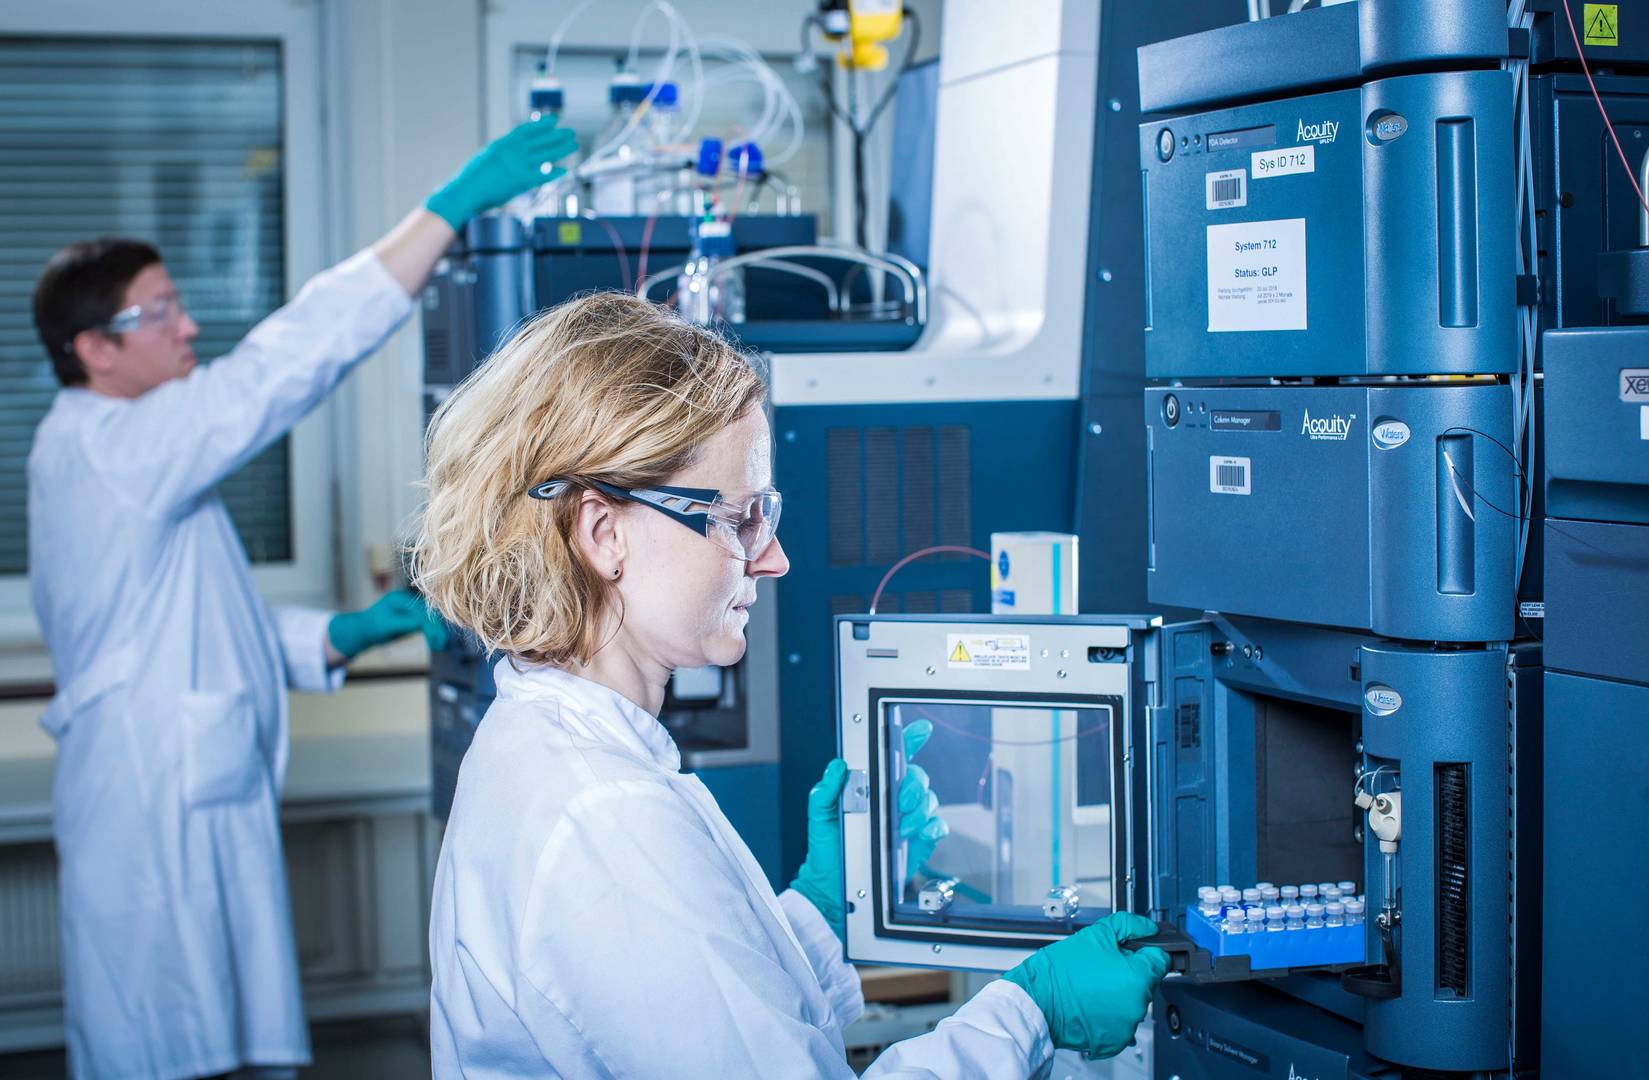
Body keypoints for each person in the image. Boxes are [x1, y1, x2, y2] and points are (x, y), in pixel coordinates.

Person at [415, 292, 1169, 1077]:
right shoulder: (608, 818)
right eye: (738, 519)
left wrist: (822, 905)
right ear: (604, 533)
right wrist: (1028, 1013)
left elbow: (688, 1010)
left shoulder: (547, 742)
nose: (772, 559)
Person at [27, 118, 578, 1079]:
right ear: (94, 349)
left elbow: (178, 620)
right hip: (150, 798)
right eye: (158, 313)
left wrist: (340, 632)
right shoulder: (115, 449)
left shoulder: (116, 457)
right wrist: (442, 214)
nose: (186, 326)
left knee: (203, 1035)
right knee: (164, 1039)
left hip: (170, 779)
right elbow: (284, 367)